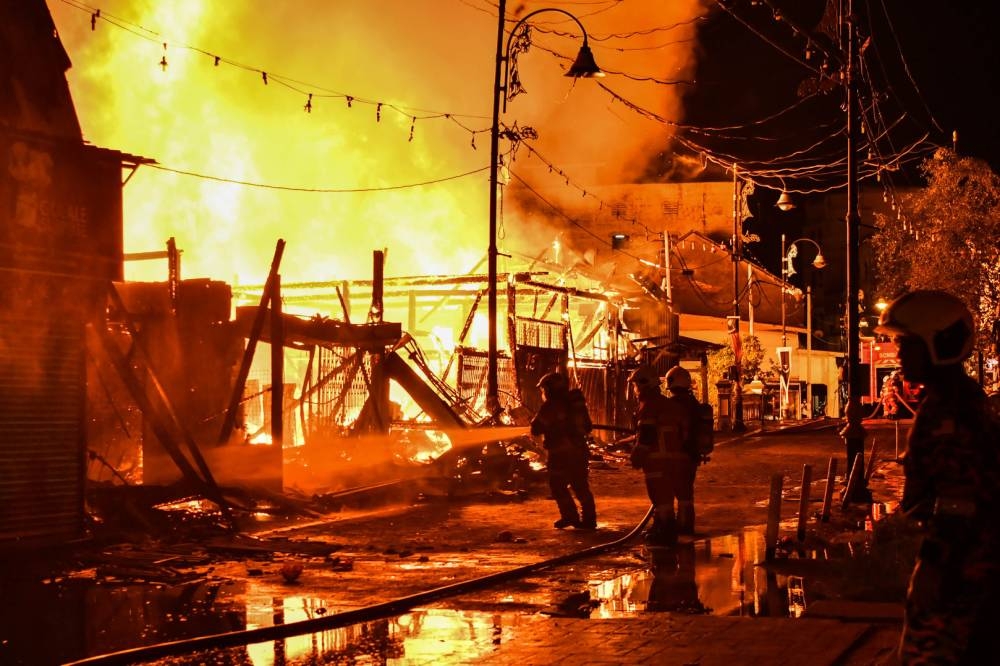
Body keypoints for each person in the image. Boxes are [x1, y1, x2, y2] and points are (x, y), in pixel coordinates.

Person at [875, 289, 1000, 663]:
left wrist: (933, 567)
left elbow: (957, 502)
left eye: (907, 343)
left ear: (938, 344)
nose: (898, 353)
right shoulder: (953, 399)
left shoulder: (950, 412)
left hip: (962, 571)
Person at [628, 365, 692, 545]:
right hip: (677, 461)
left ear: (643, 385)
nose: (634, 389)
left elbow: (647, 436)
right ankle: (663, 528)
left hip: (658, 462)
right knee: (666, 498)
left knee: (661, 499)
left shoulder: (650, 405)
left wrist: (636, 455)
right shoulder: (668, 404)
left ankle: (665, 532)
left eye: (635, 385)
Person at [530, 371, 596, 530]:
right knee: (580, 486)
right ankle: (589, 520)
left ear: (550, 389)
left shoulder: (551, 405)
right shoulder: (576, 404)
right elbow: (588, 427)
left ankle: (570, 516)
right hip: (579, 452)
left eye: (544, 389)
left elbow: (536, 428)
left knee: (558, 485)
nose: (543, 393)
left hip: (560, 454)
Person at [663, 366, 706, 536]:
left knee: (675, 493)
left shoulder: (671, 406)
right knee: (686, 493)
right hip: (691, 456)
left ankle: (678, 527)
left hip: (676, 455)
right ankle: (686, 526)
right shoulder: (694, 405)